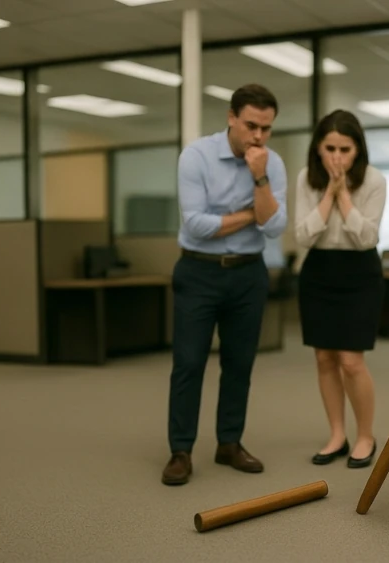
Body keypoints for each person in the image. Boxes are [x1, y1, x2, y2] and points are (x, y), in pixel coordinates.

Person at [161, 84, 287, 486]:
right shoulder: (195, 156)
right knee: (189, 363)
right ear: (231, 117)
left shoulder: (271, 163)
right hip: (198, 273)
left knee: (239, 365)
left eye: (266, 128)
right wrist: (253, 214)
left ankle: (229, 443)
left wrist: (260, 177)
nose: (258, 136)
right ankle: (180, 450)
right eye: (251, 125)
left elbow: (276, 228)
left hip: (248, 274)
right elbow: (196, 226)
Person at [295, 110, 387, 469]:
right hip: (319, 270)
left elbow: (367, 237)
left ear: (358, 150)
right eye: (329, 148)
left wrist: (343, 194)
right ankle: (337, 434)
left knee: (351, 361)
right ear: (318, 148)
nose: (336, 157)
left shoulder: (374, 181)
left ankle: (365, 436)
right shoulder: (306, 178)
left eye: (345, 149)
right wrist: (326, 196)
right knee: (324, 358)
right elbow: (303, 235)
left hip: (359, 272)